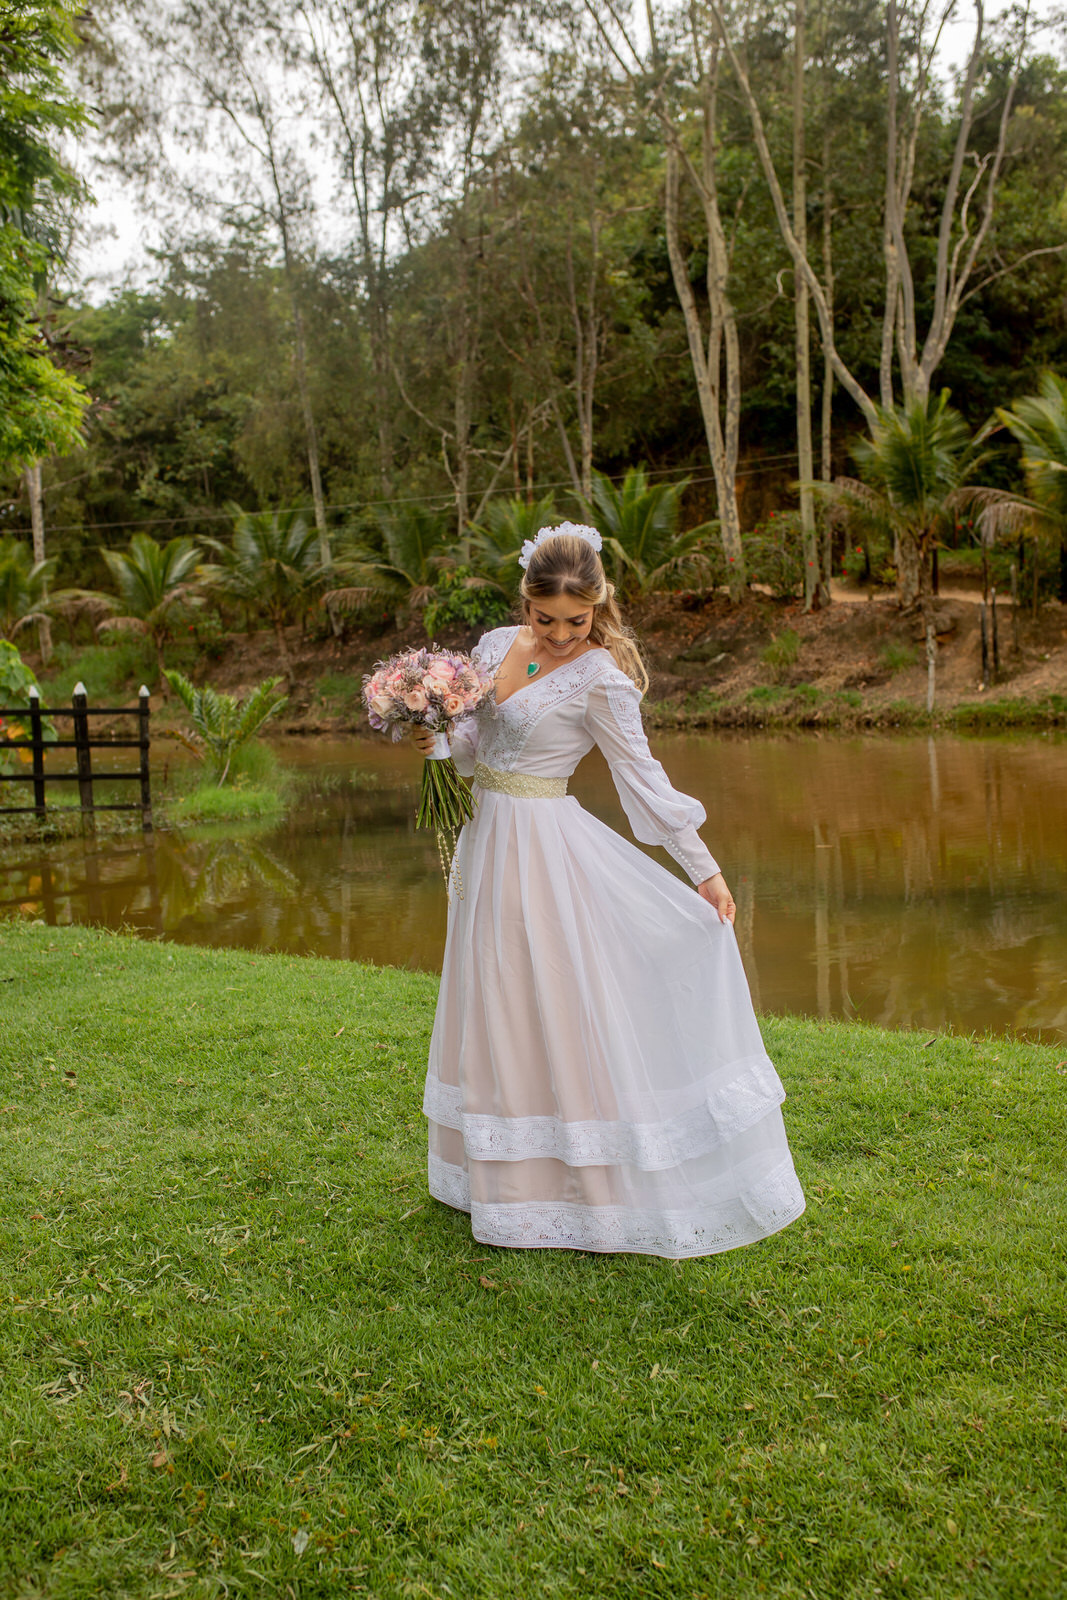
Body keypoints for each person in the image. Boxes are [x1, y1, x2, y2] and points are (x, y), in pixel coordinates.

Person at [414, 522, 805, 1258]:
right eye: (545, 618)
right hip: (483, 839)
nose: (559, 634)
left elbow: (643, 781)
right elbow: (471, 755)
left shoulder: (601, 678)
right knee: (492, 992)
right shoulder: (494, 648)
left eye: (577, 620)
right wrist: (434, 735)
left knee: (549, 999)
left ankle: (579, 1185)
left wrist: (704, 868)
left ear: (598, 608)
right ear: (523, 602)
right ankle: (491, 1180)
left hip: (543, 847)